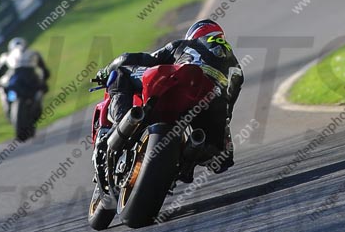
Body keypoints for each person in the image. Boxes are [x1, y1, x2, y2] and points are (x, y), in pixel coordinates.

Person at [95, 19, 244, 176]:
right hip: (213, 104)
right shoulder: (237, 70)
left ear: (194, 34)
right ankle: (189, 155)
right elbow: (227, 112)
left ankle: (121, 123)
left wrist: (106, 70)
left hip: (181, 79)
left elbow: (135, 59)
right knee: (222, 158)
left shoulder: (186, 45)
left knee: (120, 73)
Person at [0, 37, 50, 120]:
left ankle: (8, 111)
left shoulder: (6, 55)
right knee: (42, 88)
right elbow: (45, 72)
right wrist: (43, 80)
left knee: (3, 90)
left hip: (16, 81)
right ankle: (35, 108)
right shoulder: (34, 53)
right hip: (31, 79)